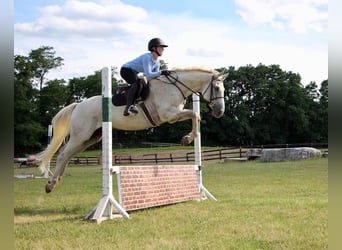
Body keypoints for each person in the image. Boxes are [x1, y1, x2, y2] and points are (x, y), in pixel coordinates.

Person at [120, 38, 170, 116]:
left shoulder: (157, 63)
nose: (163, 49)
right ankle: (129, 107)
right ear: (154, 48)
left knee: (143, 84)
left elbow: (155, 77)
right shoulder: (147, 57)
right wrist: (162, 72)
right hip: (126, 70)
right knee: (136, 83)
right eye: (161, 47)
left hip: (135, 72)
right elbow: (149, 74)